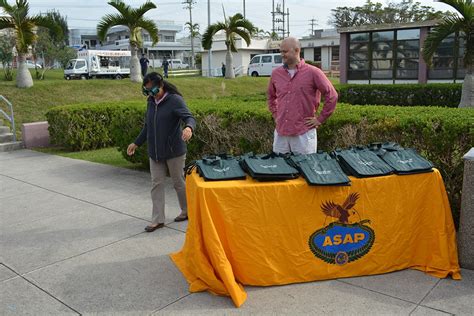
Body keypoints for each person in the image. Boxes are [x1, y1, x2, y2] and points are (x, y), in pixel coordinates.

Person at [127, 72, 196, 232]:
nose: (150, 94)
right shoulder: (151, 102)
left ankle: (187, 211)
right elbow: (147, 126)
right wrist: (136, 143)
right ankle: (158, 220)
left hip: (174, 151)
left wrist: (188, 128)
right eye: (146, 91)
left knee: (178, 182)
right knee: (156, 184)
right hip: (155, 152)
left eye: (152, 91)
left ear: (161, 86)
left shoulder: (174, 100)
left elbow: (189, 117)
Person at [267, 37, 338, 155]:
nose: (282, 54)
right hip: (281, 134)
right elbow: (271, 96)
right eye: (281, 51)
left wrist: (320, 119)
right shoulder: (276, 74)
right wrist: (276, 114)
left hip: (304, 134)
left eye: (285, 51)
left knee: (306, 170)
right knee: (280, 171)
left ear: (296, 50)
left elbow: (332, 95)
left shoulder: (314, 72)